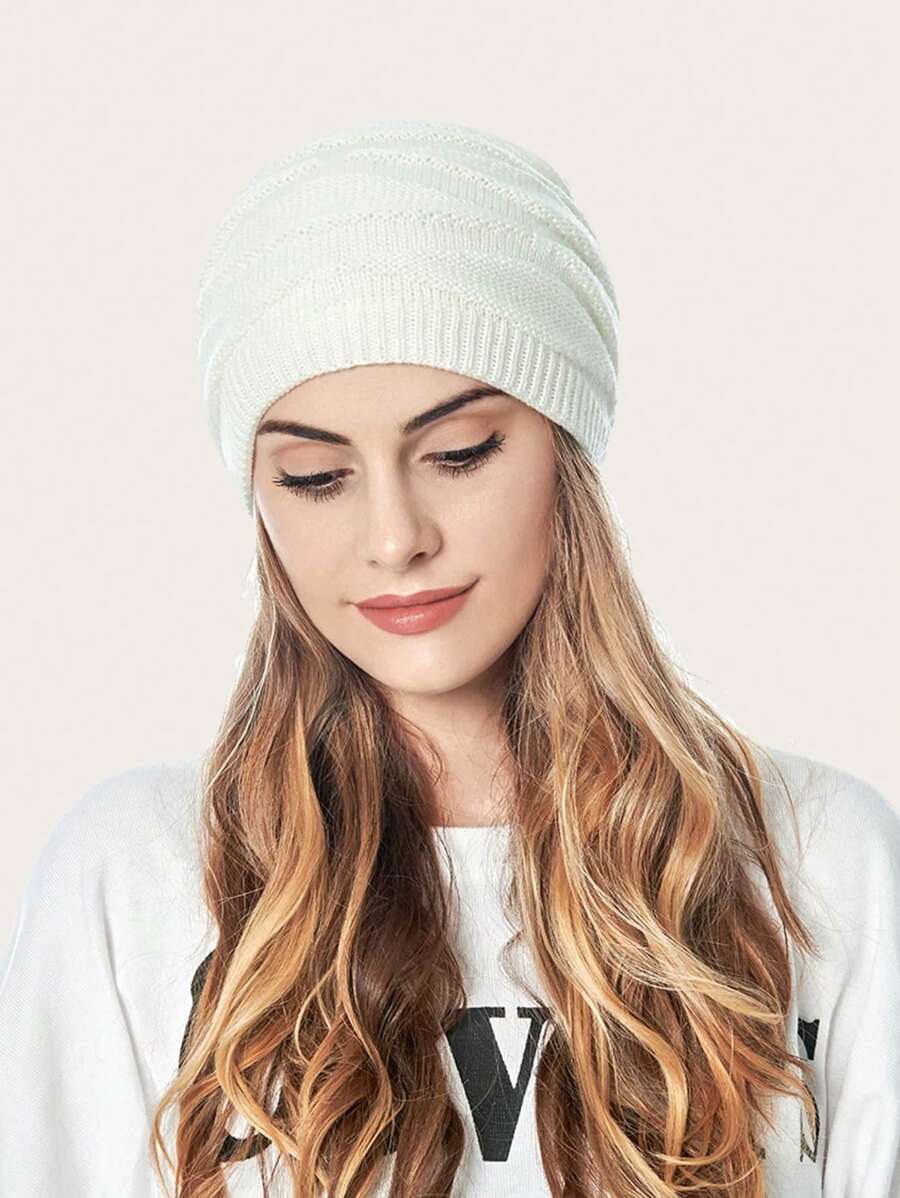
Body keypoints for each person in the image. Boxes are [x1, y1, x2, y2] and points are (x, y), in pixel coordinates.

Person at [1, 117, 898, 1198]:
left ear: (566, 448)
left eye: (459, 454)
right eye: (315, 477)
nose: (394, 538)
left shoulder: (820, 859)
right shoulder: (134, 874)